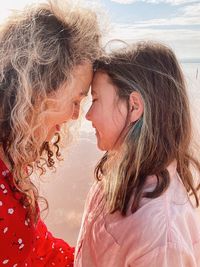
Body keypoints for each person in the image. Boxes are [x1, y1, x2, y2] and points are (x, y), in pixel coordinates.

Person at [75, 41, 200, 266]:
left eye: (95, 100)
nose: (88, 115)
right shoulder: (120, 174)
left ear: (134, 106)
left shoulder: (160, 237)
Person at [0, 1, 101, 266]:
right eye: (77, 99)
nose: (76, 115)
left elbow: (37, 247)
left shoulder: (10, 156)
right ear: (39, 87)